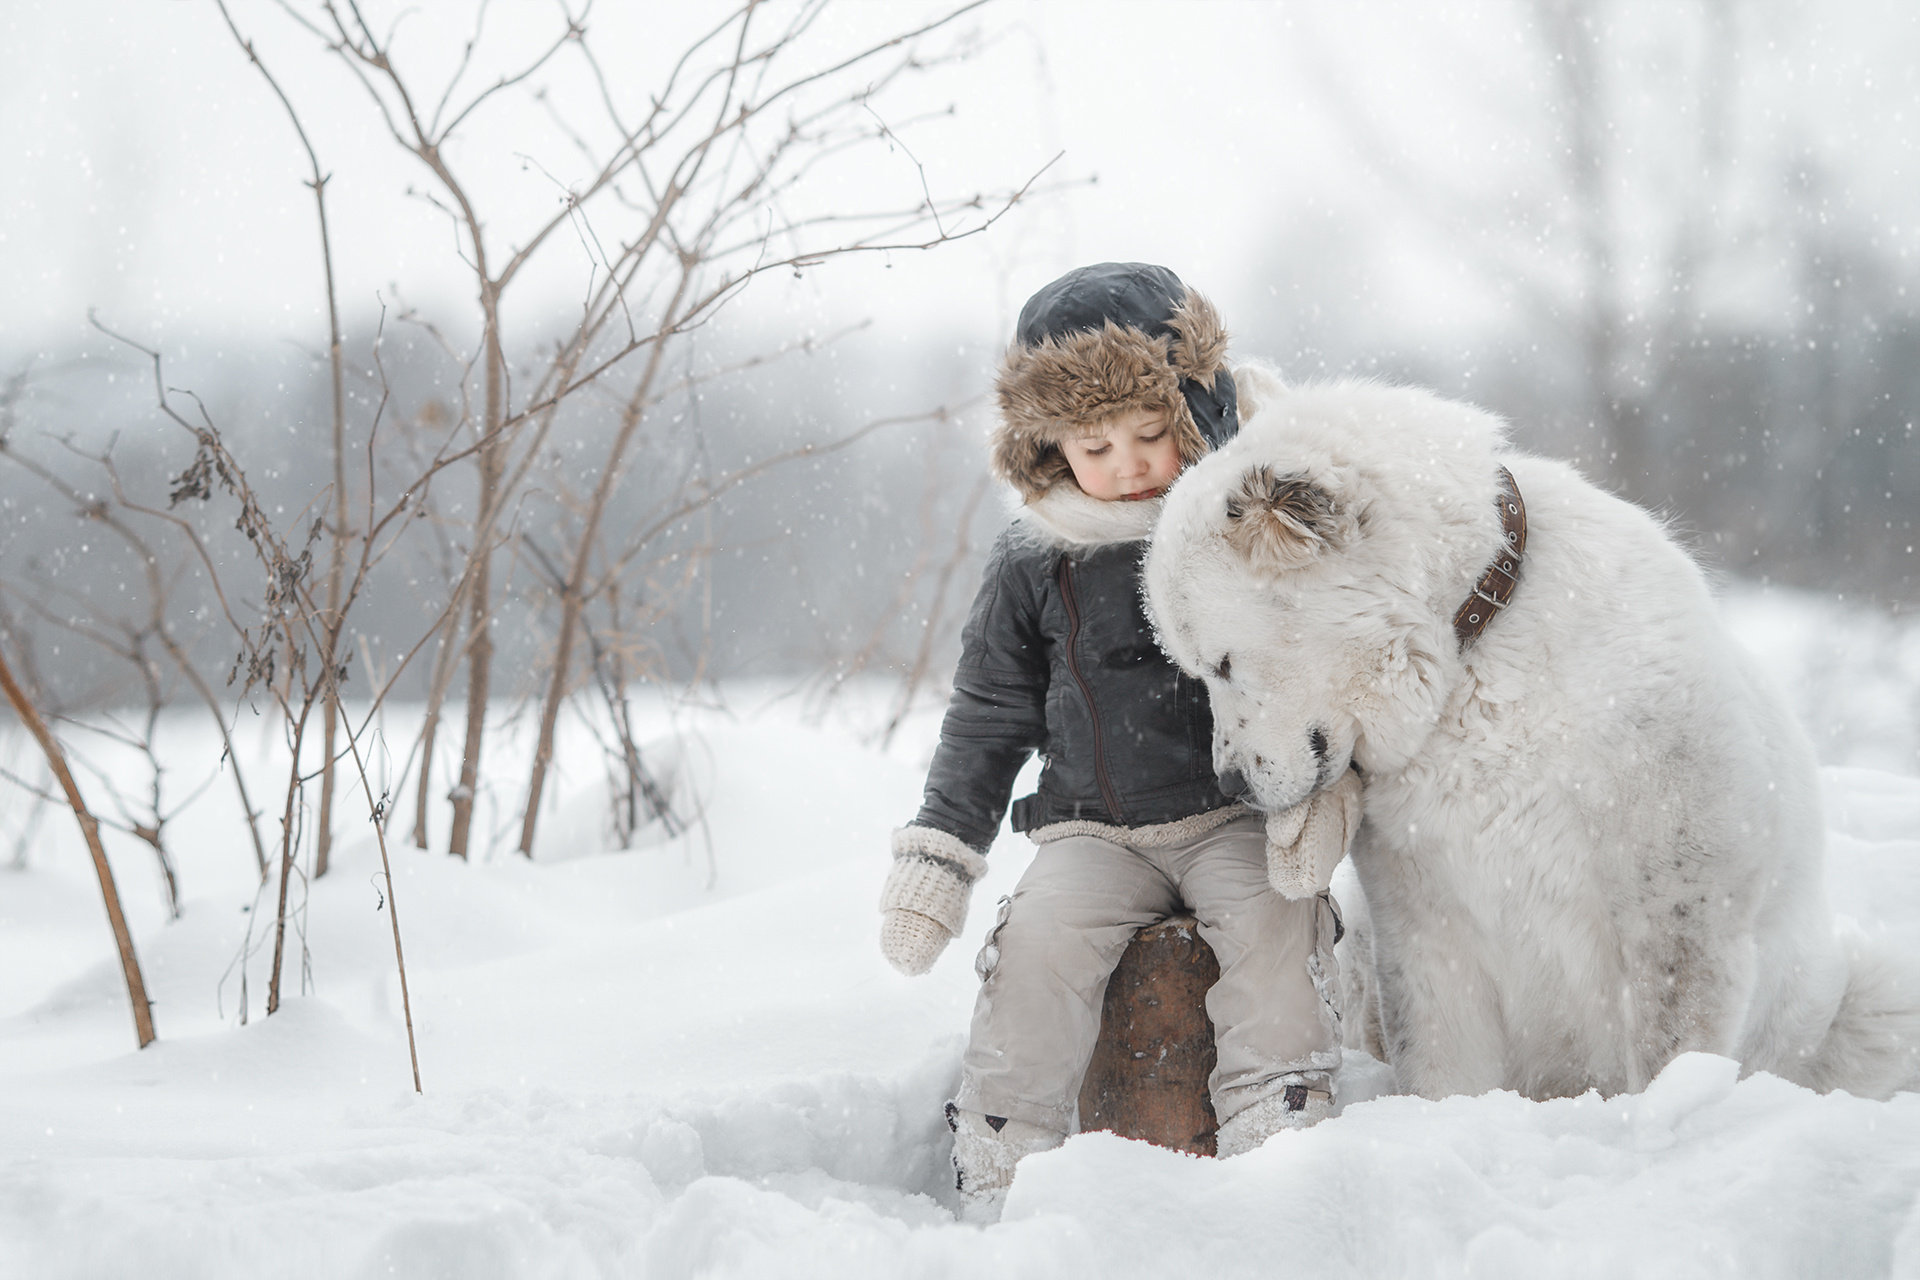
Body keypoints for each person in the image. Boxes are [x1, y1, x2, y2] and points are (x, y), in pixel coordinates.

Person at [876, 263, 1360, 1220]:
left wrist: (1324, 790)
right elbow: (989, 710)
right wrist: (941, 850)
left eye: (1151, 433)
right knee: (1037, 949)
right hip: (1095, 831)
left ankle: (1281, 1133)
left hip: (1233, 816)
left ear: (1199, 412)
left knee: (1277, 926)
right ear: (1047, 447)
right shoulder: (1034, 557)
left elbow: (1325, 659)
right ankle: (1001, 1156)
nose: (1130, 464)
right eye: (1096, 446)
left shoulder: (1246, 523)